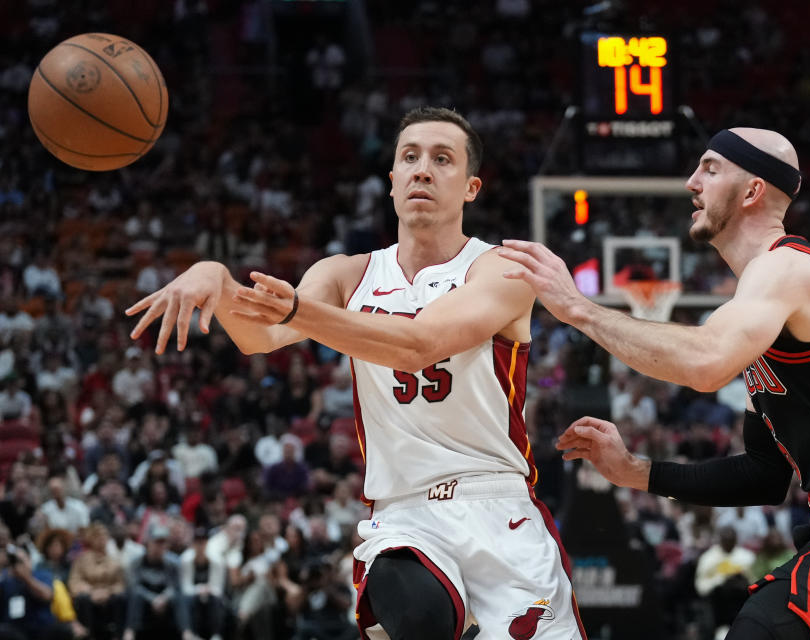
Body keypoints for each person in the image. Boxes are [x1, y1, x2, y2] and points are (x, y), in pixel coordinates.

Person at [126, 106, 585, 639]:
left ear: (471, 188)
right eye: (409, 157)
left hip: (497, 502)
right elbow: (261, 336)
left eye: (442, 159)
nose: (422, 170)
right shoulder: (345, 274)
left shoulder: (502, 269)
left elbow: (418, 344)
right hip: (406, 513)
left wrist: (301, 310)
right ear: (391, 183)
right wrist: (216, 279)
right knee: (418, 617)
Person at [498, 127, 810, 639]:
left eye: (710, 168)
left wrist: (579, 309)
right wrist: (637, 472)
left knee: (763, 627)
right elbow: (763, 474)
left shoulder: (788, 268)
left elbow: (704, 363)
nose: (691, 182)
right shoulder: (755, 313)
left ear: (752, 190)